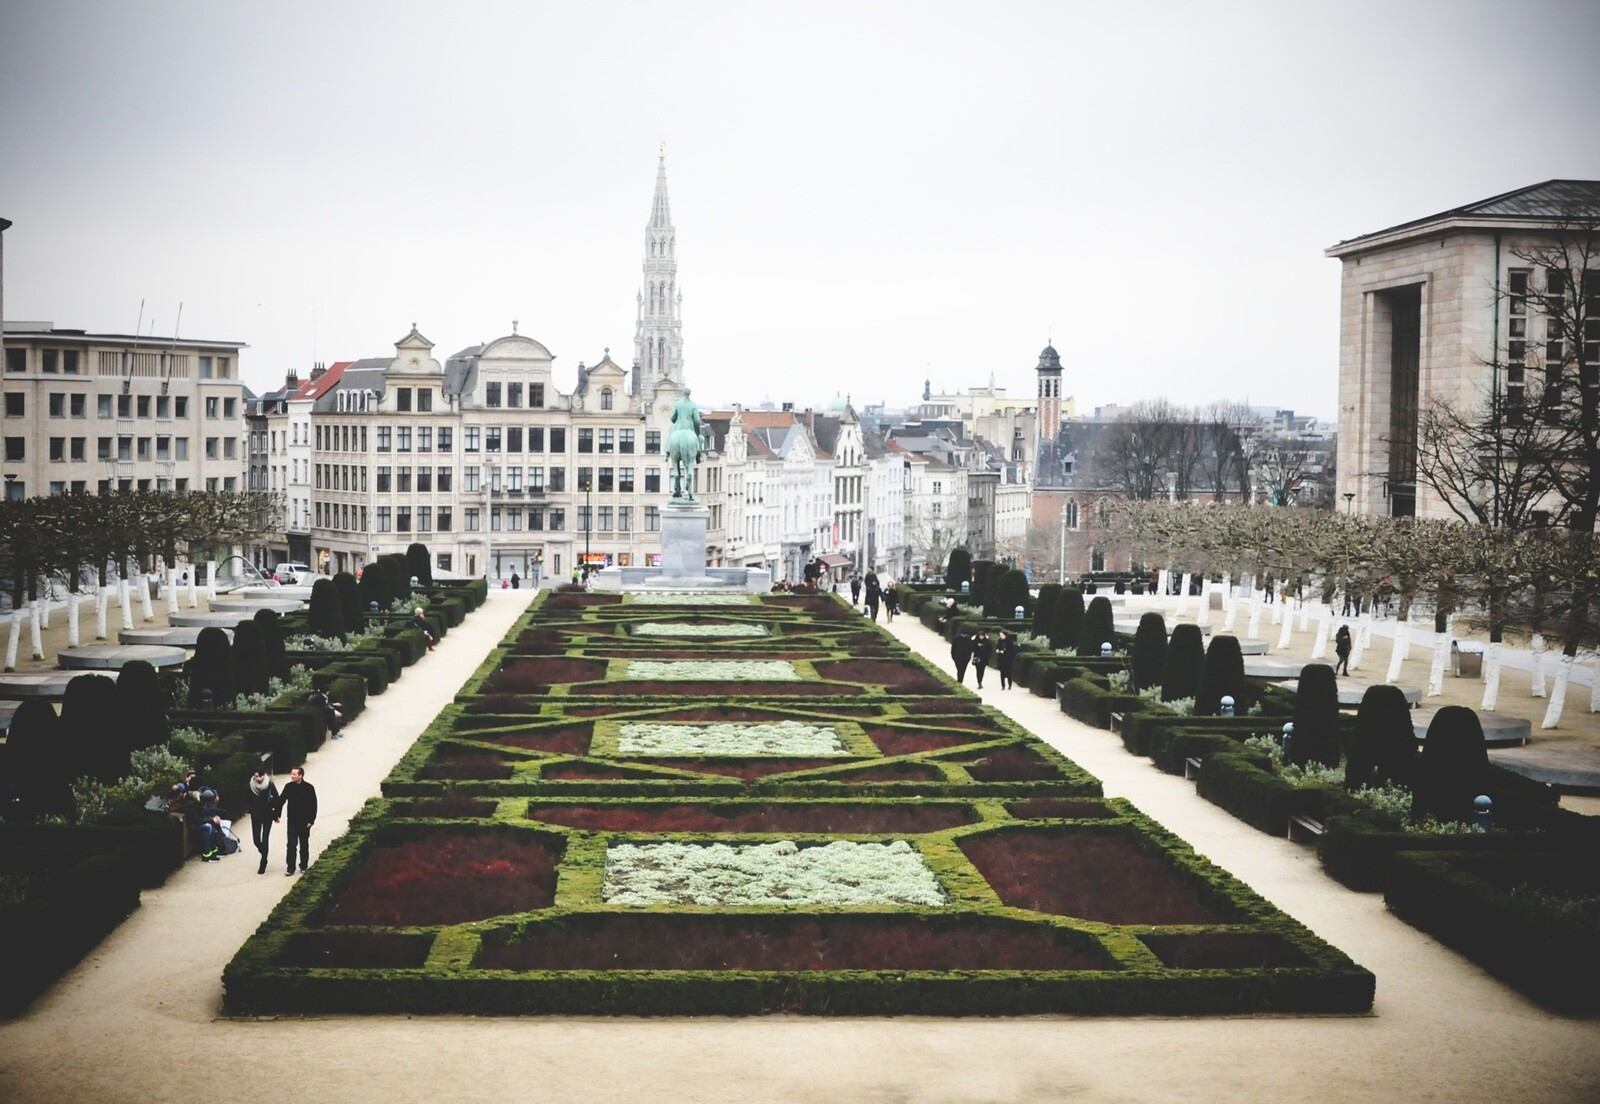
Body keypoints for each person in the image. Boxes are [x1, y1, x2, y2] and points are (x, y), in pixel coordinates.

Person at [277, 766, 318, 876]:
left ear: (301, 775)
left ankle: (303, 865)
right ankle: (290, 868)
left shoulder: (309, 788)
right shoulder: (288, 787)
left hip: (305, 822)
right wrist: (277, 814)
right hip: (292, 821)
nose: (292, 776)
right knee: (291, 844)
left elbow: (313, 805)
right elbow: (281, 800)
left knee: (303, 845)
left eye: (294, 774)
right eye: (292, 774)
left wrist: (311, 820)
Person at [246, 767, 279, 875]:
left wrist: (276, 814)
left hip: (267, 815)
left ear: (263, 776)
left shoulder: (269, 784)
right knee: (256, 840)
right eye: (255, 776)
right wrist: (251, 810)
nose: (256, 778)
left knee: (265, 839)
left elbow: (277, 799)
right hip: (256, 816)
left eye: (258, 776)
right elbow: (247, 799)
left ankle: (263, 861)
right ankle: (264, 852)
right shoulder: (251, 785)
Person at [189, 787, 227, 862]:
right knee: (207, 827)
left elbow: (204, 814)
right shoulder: (192, 804)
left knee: (211, 826)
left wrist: (213, 818)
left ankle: (213, 851)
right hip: (192, 825)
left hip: (197, 823)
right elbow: (196, 819)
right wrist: (211, 820)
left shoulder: (201, 803)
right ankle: (206, 854)